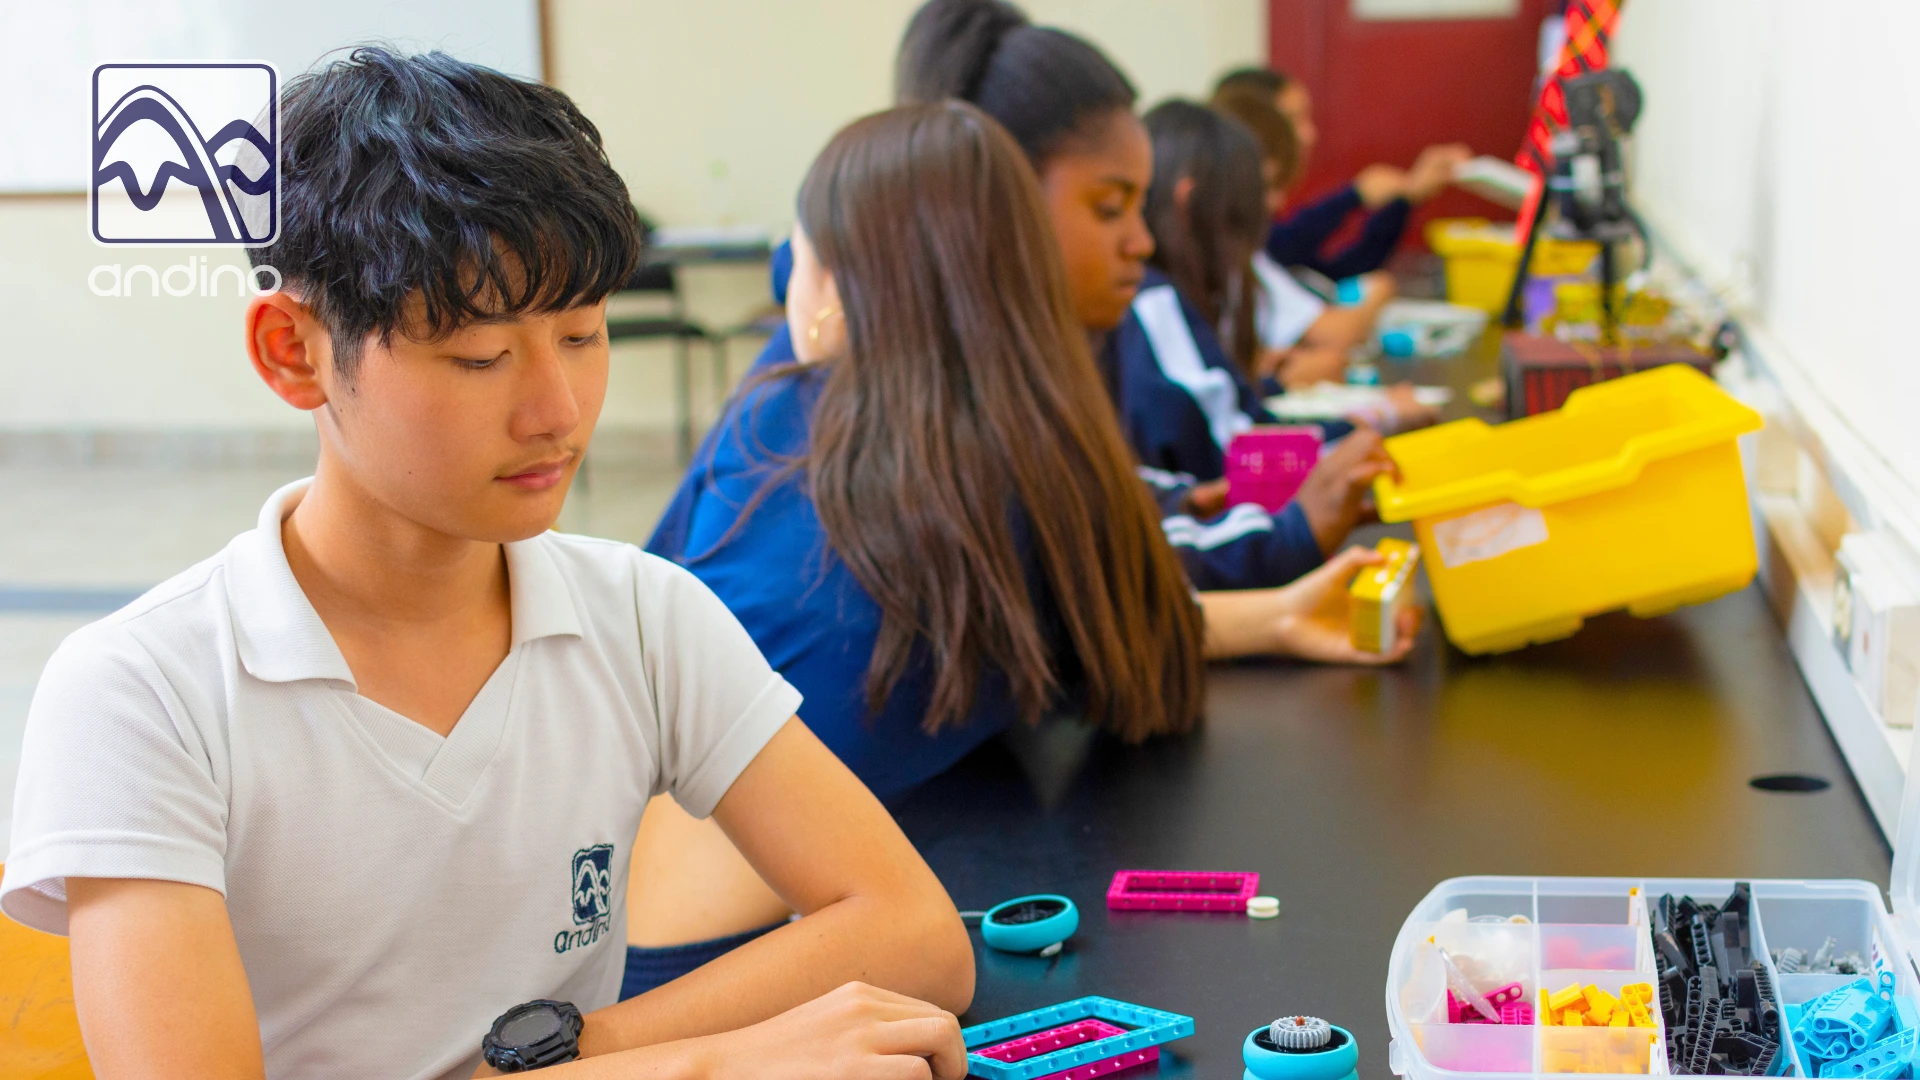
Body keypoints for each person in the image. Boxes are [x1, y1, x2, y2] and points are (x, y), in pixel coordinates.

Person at [0, 48, 977, 1080]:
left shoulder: (642, 616)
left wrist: (569, 1055)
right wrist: (702, 1065)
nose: (557, 412)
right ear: (293, 351)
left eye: (585, 334)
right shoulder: (142, 694)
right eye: (480, 356)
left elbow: (915, 933)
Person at [626, 100, 1420, 992]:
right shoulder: (1034, 461)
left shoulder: (789, 422)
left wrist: (1269, 619)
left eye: (796, 261)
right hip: (715, 966)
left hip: (647, 916)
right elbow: (1084, 632)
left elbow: (643, 624)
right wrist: (1267, 615)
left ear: (840, 285)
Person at [1214, 65, 1470, 281]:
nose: (1309, 135)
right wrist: (1353, 197)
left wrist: (1404, 199)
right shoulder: (1222, 231)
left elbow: (1332, 277)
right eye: (1292, 120)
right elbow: (1282, 245)